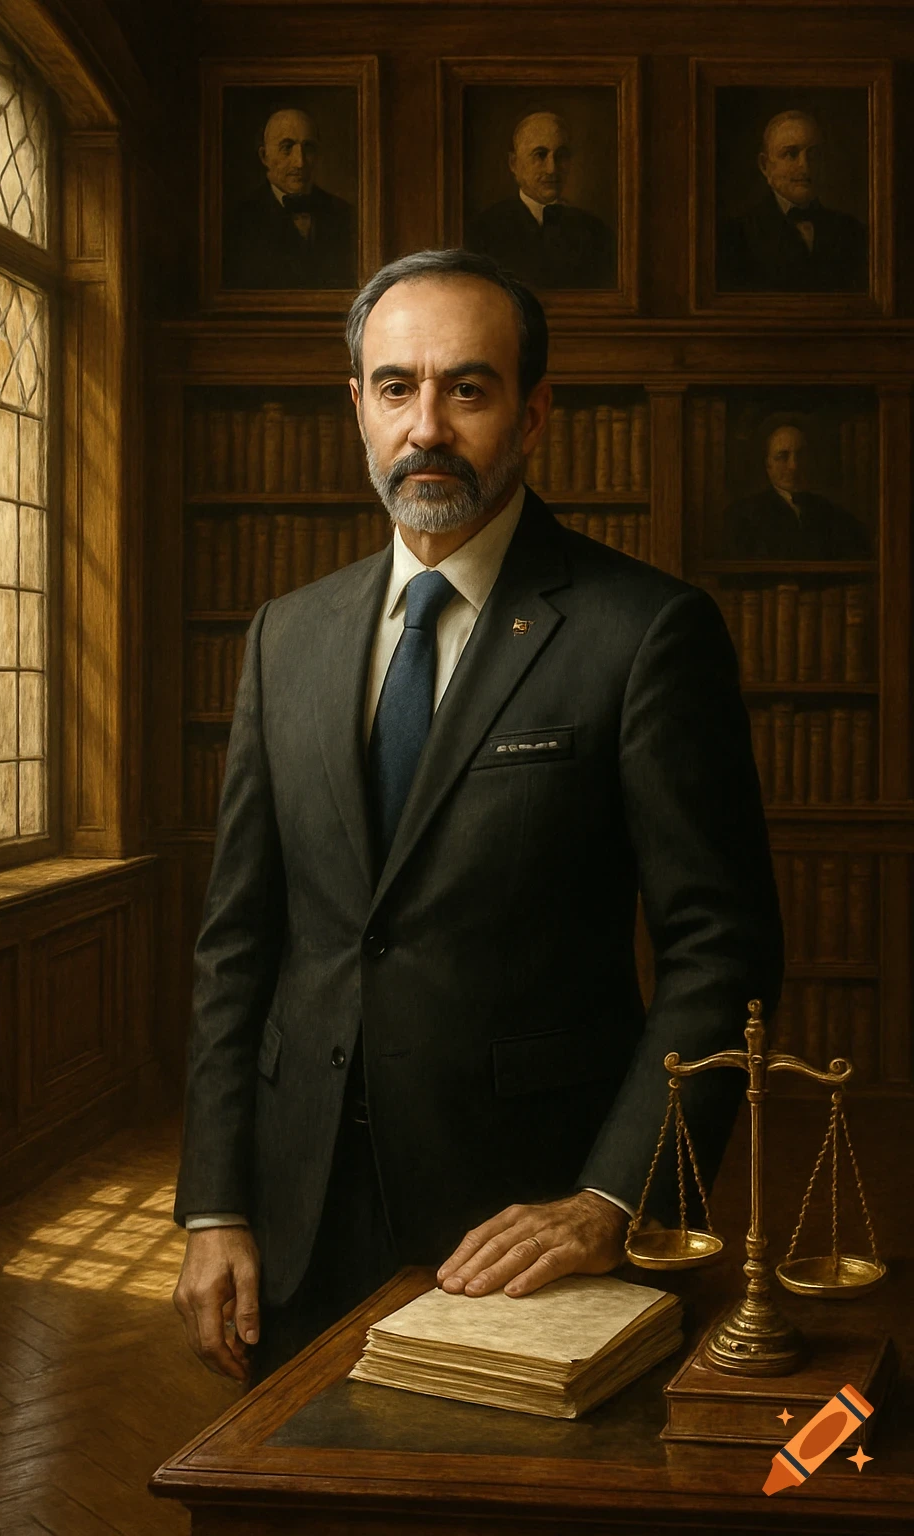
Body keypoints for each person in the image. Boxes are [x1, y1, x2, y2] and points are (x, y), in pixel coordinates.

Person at [172, 248, 783, 1385]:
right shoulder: (283, 637)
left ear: (534, 413)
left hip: (530, 1222)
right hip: (293, 1225)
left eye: (468, 387)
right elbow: (236, 944)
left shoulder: (644, 633)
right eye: (396, 387)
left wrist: (613, 1196)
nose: (427, 427)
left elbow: (723, 949)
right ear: (355, 407)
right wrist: (213, 1204)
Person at [718, 110, 867, 293]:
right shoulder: (736, 236)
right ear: (765, 166)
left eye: (813, 154)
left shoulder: (852, 231)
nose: (804, 166)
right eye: (790, 154)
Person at [466, 111, 615, 290]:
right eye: (540, 155)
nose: (552, 169)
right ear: (514, 163)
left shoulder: (596, 232)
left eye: (561, 156)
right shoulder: (484, 230)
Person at [223, 107, 356, 290]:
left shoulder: (345, 214)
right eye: (287, 148)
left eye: (308, 148)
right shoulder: (239, 220)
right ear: (264, 156)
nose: (299, 162)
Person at [725, 423, 871, 559]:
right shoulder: (743, 515)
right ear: (768, 464)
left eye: (801, 455)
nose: (794, 466)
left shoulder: (834, 514)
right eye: (782, 457)